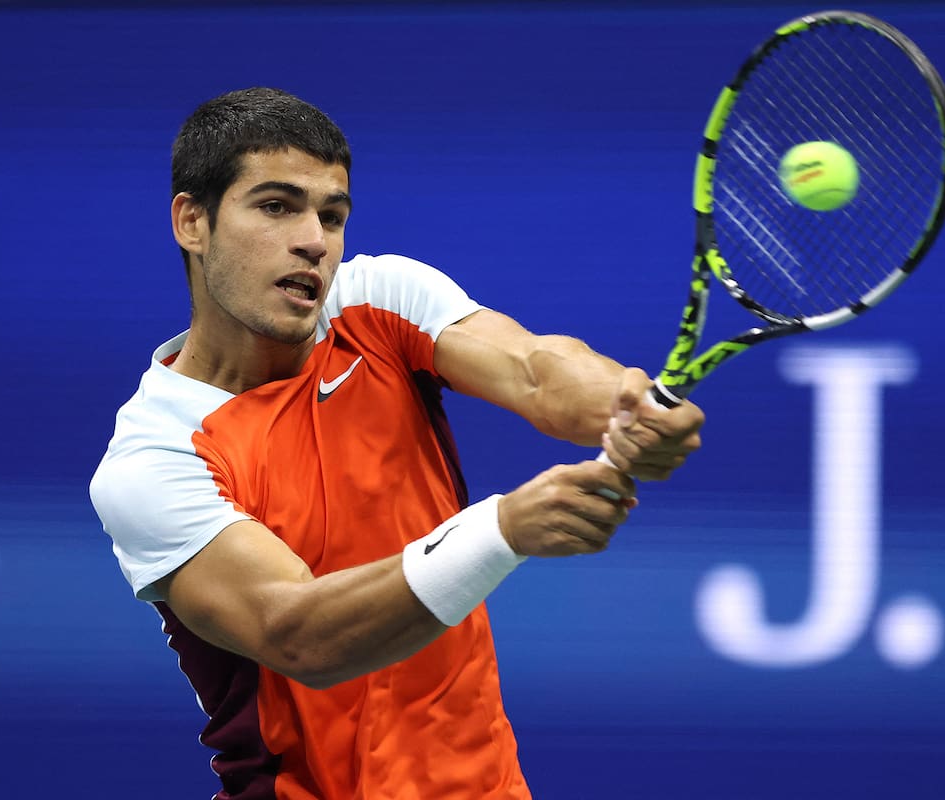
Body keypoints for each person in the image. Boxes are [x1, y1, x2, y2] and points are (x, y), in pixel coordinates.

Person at [90, 87, 703, 800]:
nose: (313, 240)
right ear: (192, 221)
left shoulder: (375, 301)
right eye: (276, 206)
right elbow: (299, 633)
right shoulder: (153, 459)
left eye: (332, 215)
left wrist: (621, 403)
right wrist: (499, 532)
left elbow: (535, 370)